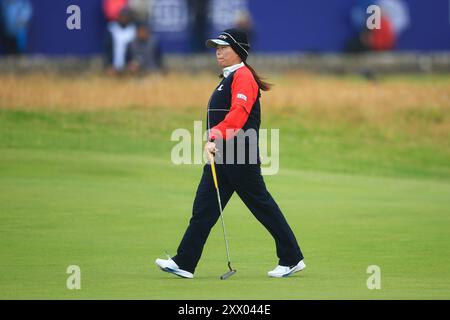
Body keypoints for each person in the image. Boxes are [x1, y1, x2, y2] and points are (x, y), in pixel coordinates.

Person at [155, 28, 305, 279]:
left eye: (224, 47)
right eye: (216, 47)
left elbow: (239, 113)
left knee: (261, 206)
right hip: (224, 155)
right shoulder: (229, 77)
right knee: (204, 208)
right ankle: (185, 262)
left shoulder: (243, 76)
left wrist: (215, 136)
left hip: (240, 154)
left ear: (238, 51)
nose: (218, 51)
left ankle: (291, 258)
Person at [105, 7, 137, 75]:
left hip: (129, 66)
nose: (124, 19)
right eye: (122, 16)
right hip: (114, 66)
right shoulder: (112, 29)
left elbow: (137, 49)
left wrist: (133, 62)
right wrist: (109, 64)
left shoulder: (133, 29)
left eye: (126, 17)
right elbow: (107, 48)